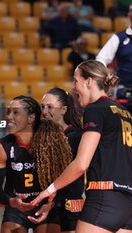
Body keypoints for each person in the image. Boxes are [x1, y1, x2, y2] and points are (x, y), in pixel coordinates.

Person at [31, 60, 132, 232]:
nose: (73, 87)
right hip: (130, 204)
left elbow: (81, 164)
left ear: (89, 82)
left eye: (75, 81)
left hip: (104, 199)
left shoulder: (96, 109)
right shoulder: (126, 113)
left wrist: (50, 189)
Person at [0, 96, 73, 233]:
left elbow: (66, 183)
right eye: (8, 112)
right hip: (17, 209)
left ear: (31, 118)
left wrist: (51, 203)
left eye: (15, 112)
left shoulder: (51, 143)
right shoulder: (2, 146)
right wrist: (12, 201)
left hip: (47, 207)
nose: (9, 117)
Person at [41, 88, 84, 233]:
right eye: (42, 107)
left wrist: (52, 201)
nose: (45, 111)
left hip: (69, 205)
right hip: (48, 203)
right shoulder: (43, 137)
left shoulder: (78, 136)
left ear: (64, 109)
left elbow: (74, 177)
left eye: (50, 107)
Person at [96, 2, 132, 99]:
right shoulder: (118, 38)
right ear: (129, 15)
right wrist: (107, 76)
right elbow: (101, 58)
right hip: (124, 89)